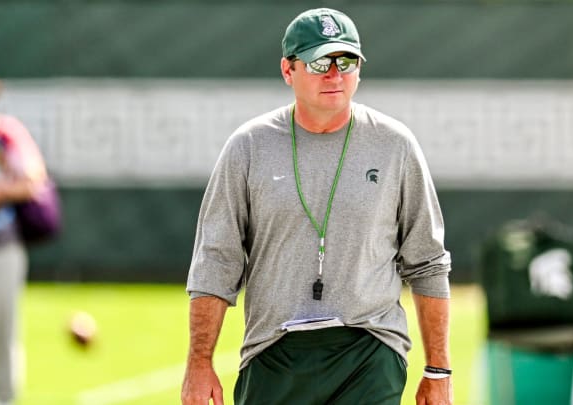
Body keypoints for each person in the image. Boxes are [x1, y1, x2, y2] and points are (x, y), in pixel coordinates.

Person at [182, 8, 452, 405]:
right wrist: (199, 362)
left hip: (370, 350)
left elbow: (427, 261)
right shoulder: (249, 146)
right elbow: (216, 261)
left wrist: (438, 370)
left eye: (346, 61)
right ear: (288, 71)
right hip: (273, 351)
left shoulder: (395, 145)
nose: (334, 74)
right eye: (319, 61)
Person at [0, 76, 48, 405]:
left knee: (2, 333)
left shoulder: (4, 133)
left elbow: (32, 179)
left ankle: (5, 400)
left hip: (0, 247)